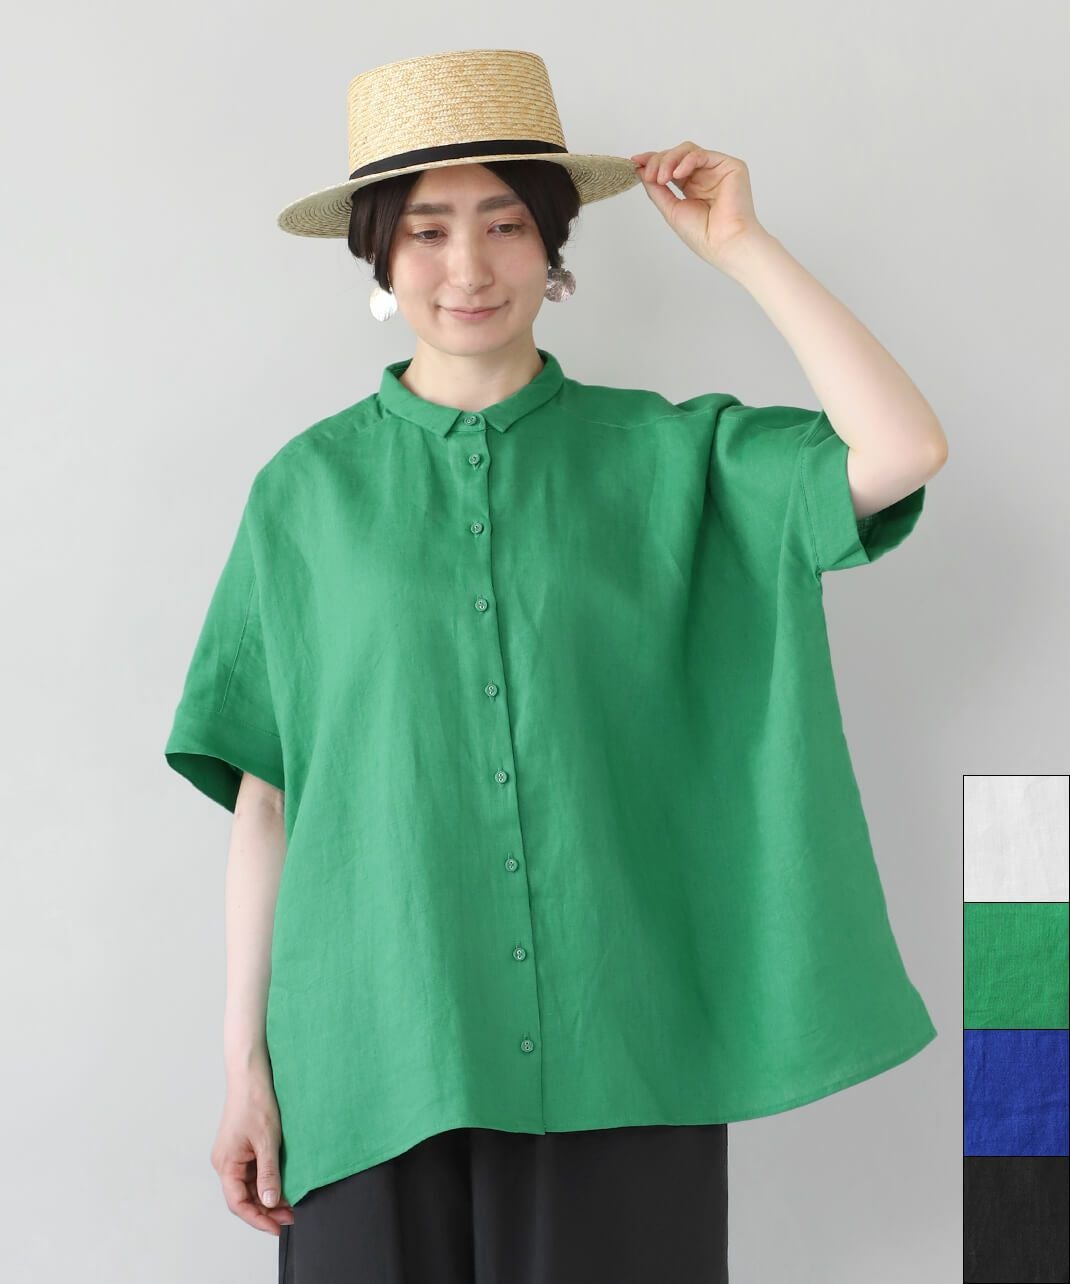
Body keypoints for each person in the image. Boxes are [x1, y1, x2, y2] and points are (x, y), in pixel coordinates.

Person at [165, 49, 948, 1283]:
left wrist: (742, 248)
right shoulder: (303, 494)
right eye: (425, 231)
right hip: (368, 1053)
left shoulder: (672, 456)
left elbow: (900, 449)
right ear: (377, 258)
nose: (467, 269)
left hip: (619, 1048)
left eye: (504, 225)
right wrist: (242, 1068)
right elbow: (267, 800)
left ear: (552, 248)